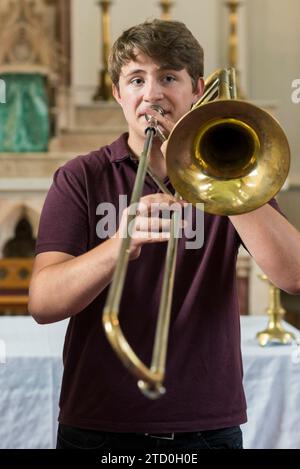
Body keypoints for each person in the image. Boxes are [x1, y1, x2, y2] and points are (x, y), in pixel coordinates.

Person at [29, 19, 300, 451]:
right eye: (136, 79)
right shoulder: (81, 177)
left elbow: (294, 275)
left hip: (208, 426)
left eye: (168, 77)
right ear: (118, 93)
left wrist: (220, 175)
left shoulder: (235, 167)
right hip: (98, 424)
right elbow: (43, 303)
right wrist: (119, 246)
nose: (152, 93)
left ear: (197, 89)